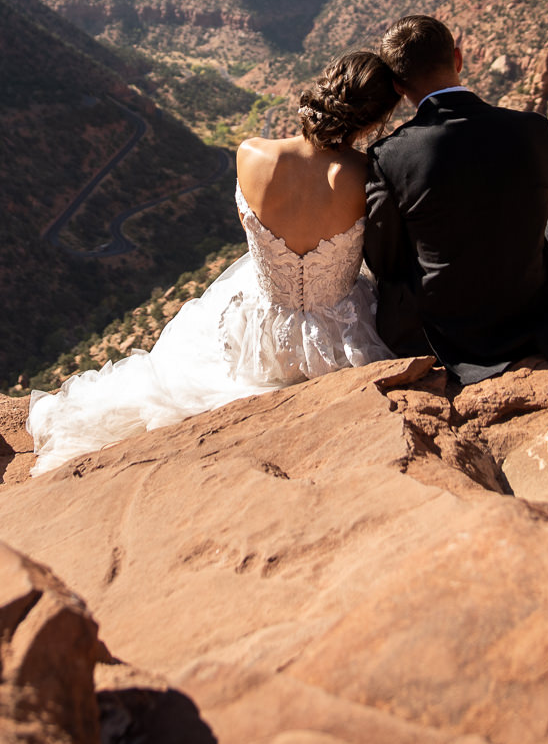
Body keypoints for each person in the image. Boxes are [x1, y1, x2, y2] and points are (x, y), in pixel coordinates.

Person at [26, 51, 399, 474]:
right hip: (340, 342)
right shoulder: (368, 174)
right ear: (374, 122)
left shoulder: (251, 154)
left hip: (257, 342)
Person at [363, 15, 548, 385]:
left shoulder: (389, 156)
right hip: (535, 325)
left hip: (443, 337)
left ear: (398, 86)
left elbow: (385, 263)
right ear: (458, 59)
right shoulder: (533, 130)